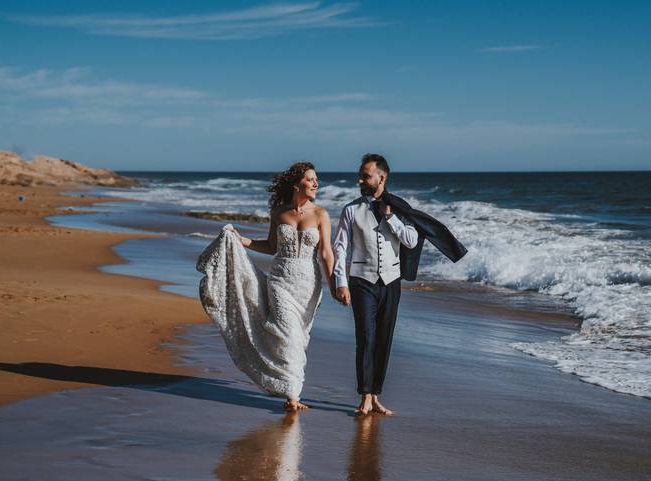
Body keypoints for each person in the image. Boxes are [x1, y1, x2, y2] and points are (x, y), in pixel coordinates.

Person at [332, 154, 468, 416]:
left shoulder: (400, 208)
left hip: (391, 282)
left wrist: (391, 218)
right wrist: (341, 282)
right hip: (361, 281)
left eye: (366, 176)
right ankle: (364, 396)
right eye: (360, 175)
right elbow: (340, 248)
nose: (360, 180)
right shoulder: (351, 210)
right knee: (366, 338)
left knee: (384, 339)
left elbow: (411, 241)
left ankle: (376, 395)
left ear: (381, 178)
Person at [196, 162, 335, 411]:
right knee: (288, 334)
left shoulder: (321, 214)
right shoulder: (279, 212)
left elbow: (326, 252)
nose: (316, 184)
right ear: (296, 185)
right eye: (311, 179)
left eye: (316, 180)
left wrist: (335, 283)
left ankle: (288, 385)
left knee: (300, 336)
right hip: (281, 280)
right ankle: (293, 394)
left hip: (308, 284)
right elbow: (272, 247)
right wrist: (242, 241)